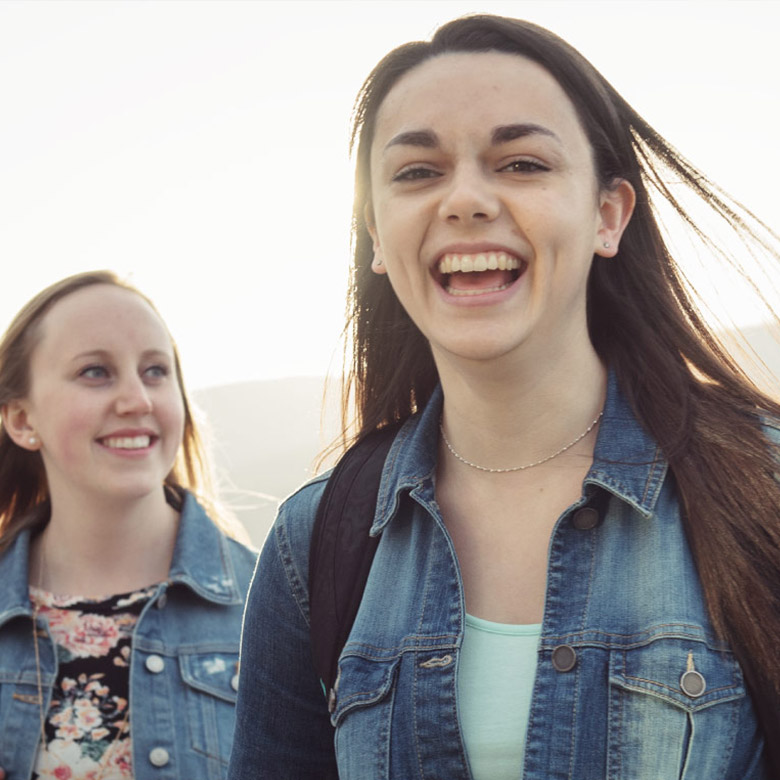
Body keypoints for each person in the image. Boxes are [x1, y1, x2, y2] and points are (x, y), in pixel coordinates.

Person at [227, 14, 780, 780]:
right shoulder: (315, 538)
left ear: (607, 215)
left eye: (521, 163)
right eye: (417, 172)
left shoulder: (762, 484)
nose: (466, 199)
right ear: (377, 237)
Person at [0, 271, 257, 780]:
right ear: (22, 420)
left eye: (156, 371)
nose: (137, 399)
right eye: (95, 371)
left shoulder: (278, 604)